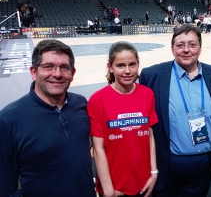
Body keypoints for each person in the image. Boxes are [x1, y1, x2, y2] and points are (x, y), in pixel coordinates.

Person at [0, 39, 95, 197]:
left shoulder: (81, 103)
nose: (57, 74)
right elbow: (4, 186)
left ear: (73, 73)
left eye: (64, 68)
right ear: (33, 72)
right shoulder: (9, 120)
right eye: (48, 66)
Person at [140, 24, 211, 197]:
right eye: (180, 45)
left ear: (200, 48)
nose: (186, 50)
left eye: (192, 45)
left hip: (204, 167)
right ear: (172, 49)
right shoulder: (152, 75)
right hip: (167, 166)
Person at [88, 41, 158, 197]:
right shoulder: (97, 100)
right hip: (115, 187)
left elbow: (150, 135)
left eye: (132, 64)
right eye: (120, 65)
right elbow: (98, 148)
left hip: (143, 182)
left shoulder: (147, 94)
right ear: (110, 67)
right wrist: (108, 190)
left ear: (138, 64)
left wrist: (153, 172)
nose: (127, 71)